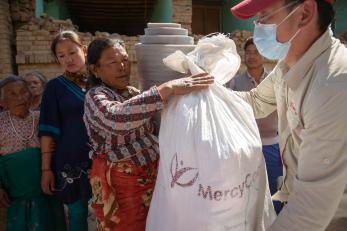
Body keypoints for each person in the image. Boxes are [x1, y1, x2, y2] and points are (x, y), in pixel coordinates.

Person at [230, 0, 347, 230]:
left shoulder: (334, 83)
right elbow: (256, 101)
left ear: (304, 13)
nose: (258, 27)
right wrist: (207, 92)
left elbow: (310, 209)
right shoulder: (289, 64)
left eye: (264, 17)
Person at [83, 37, 213, 230]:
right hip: (120, 189)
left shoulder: (132, 93)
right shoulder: (95, 96)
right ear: (95, 69)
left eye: (125, 60)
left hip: (150, 182)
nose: (122, 67)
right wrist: (168, 88)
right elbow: (116, 119)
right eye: (112, 62)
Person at [39, 31, 92, 231]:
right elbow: (47, 130)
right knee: (77, 214)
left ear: (84, 50)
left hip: (103, 159)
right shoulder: (54, 87)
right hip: (70, 163)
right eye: (61, 55)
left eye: (72, 52)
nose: (68, 59)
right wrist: (46, 169)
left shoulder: (99, 82)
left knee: (108, 211)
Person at [0, 75, 65, 231]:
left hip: (47, 192)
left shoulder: (41, 118)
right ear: (3, 102)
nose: (20, 97)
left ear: (31, 94)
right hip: (15, 198)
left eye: (23, 91)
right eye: (12, 94)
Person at [228, 37, 283, 214]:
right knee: (249, 190)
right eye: (248, 52)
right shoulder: (235, 83)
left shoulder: (275, 79)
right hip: (246, 146)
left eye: (256, 52)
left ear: (264, 55)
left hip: (273, 145)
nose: (251, 57)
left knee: (275, 190)